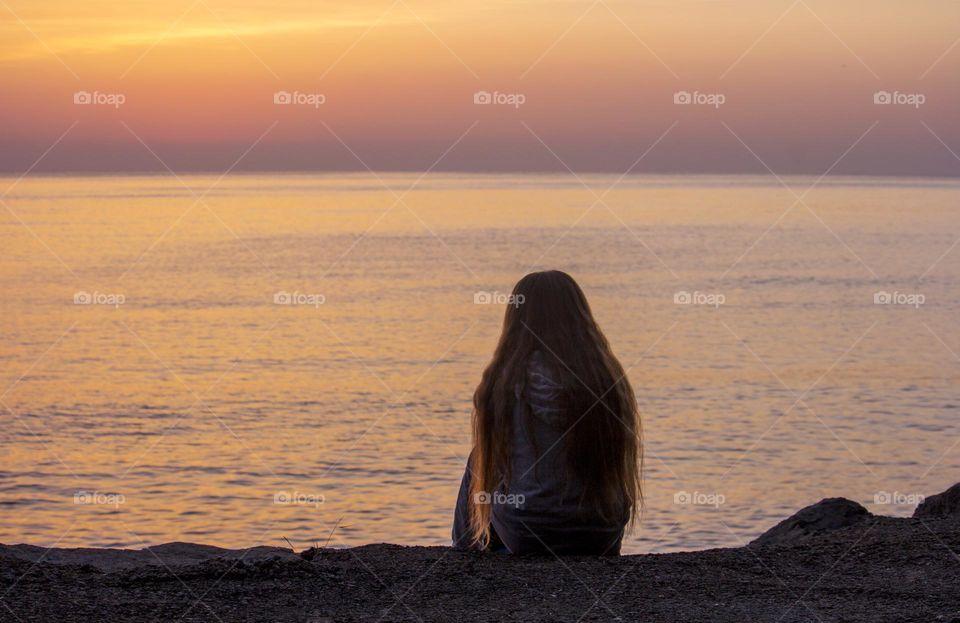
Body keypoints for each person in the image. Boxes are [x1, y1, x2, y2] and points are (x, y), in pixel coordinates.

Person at [452, 270, 642, 555]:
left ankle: (464, 552)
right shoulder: (604, 377)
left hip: (528, 530)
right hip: (599, 534)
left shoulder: (506, 380)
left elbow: (496, 468)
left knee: (480, 457)